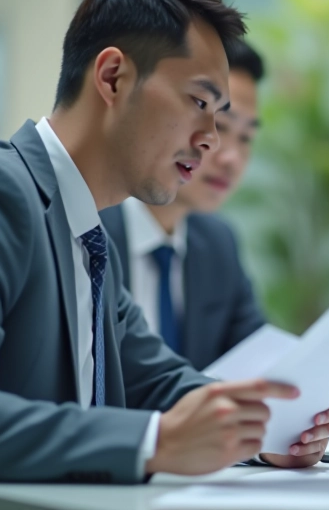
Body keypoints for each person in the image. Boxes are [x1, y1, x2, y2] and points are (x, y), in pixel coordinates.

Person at [0, 0, 329, 509]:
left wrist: (270, 430)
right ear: (112, 77)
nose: (210, 141)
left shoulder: (85, 230)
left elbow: (159, 381)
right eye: (199, 103)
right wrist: (154, 442)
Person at [101, 40, 266, 370]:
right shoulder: (87, 227)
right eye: (219, 124)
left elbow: (258, 357)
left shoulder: (217, 243)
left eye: (246, 137)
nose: (231, 157)